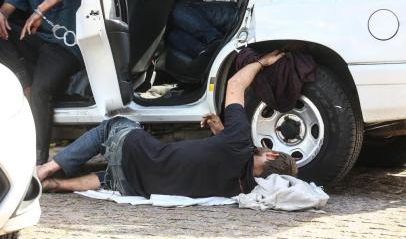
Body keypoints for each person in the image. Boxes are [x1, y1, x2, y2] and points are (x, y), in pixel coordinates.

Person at [37, 49, 298, 197]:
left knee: (113, 125)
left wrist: (262, 62)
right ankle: (58, 185)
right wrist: (219, 129)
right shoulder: (240, 190)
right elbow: (218, 158)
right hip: (135, 186)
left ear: (272, 153)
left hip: (133, 151)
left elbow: (235, 85)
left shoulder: (239, 142)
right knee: (110, 178)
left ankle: (45, 170)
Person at [0, 0, 86, 164]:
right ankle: (25, 84)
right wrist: (1, 14)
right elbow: (8, 7)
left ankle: (37, 161)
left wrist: (40, 11)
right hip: (38, 40)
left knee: (41, 91)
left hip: (66, 47)